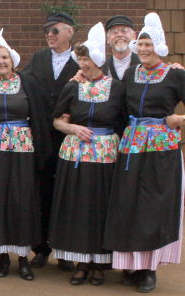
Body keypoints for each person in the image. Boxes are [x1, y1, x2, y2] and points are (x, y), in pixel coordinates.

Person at [102, 13, 185, 293]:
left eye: (150, 45)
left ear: (159, 46)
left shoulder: (175, 74)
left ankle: (149, 269)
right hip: (132, 146)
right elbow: (117, 107)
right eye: (142, 45)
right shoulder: (130, 74)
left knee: (153, 205)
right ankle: (131, 263)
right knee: (129, 202)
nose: (145, 50)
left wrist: (179, 119)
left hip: (161, 149)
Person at [0, 29, 52, 281]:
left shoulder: (27, 83)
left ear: (13, 60)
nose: (1, 62)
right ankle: (2, 257)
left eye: (5, 57)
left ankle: (22, 257)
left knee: (20, 200)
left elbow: (41, 111)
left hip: (20, 149)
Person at [48, 23, 125, 286]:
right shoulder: (72, 87)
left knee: (100, 207)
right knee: (77, 207)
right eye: (80, 58)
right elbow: (56, 120)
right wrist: (71, 127)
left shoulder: (116, 88)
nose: (83, 63)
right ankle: (81, 261)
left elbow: (124, 122)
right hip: (75, 156)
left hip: (105, 156)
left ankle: (100, 263)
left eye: (88, 58)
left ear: (99, 60)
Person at [22, 12, 78, 271]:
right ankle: (41, 248)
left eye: (55, 30)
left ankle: (66, 250)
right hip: (42, 137)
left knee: (68, 194)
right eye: (47, 31)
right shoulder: (38, 59)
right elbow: (20, 82)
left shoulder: (82, 60)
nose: (50, 35)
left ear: (70, 32)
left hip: (73, 138)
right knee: (42, 193)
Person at [103, 15, 139, 80]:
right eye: (115, 32)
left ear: (134, 36)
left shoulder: (143, 66)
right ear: (108, 39)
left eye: (124, 31)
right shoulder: (102, 69)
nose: (119, 35)